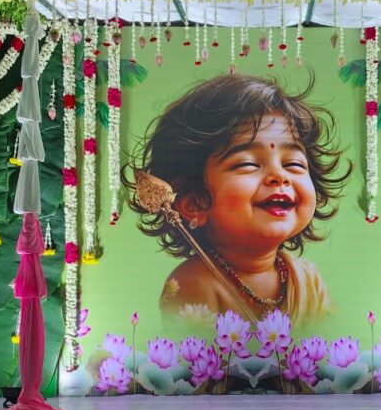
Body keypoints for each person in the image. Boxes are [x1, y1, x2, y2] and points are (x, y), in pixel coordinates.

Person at [125, 74, 351, 324]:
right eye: (248, 164)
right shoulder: (194, 284)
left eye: (294, 163)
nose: (279, 176)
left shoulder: (308, 278)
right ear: (194, 203)